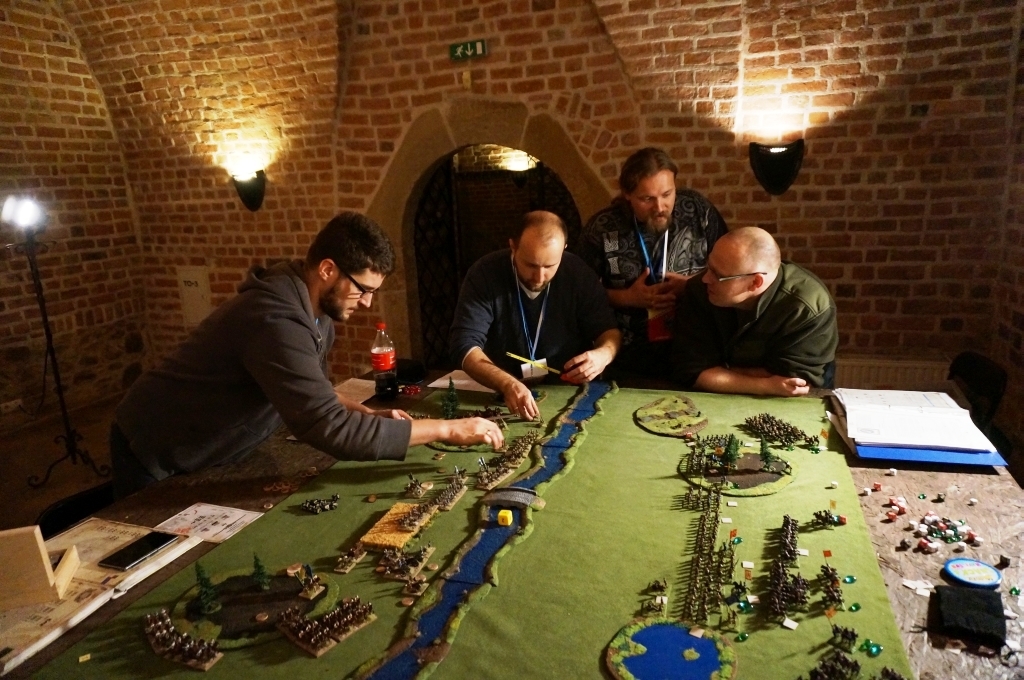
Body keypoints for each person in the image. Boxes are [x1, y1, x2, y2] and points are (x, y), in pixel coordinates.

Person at [110, 212, 503, 498]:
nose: (367, 303)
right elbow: (330, 429)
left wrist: (361, 412)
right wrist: (449, 429)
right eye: (363, 289)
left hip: (213, 447)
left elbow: (314, 393)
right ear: (328, 269)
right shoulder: (275, 320)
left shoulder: (317, 313)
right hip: (155, 449)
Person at [449, 210, 621, 420]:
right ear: (513, 247)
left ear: (564, 249)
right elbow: (464, 345)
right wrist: (507, 384)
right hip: (501, 393)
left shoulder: (579, 273)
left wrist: (603, 355)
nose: (539, 277)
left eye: (550, 266)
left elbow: (608, 331)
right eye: (531, 265)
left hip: (568, 392)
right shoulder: (485, 273)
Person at [576, 147, 728, 378]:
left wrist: (691, 285)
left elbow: (731, 271)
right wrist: (627, 297)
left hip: (697, 349)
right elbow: (579, 294)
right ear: (627, 194)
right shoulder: (603, 227)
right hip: (627, 355)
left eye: (667, 194)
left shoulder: (698, 211)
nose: (659, 207)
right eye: (647, 199)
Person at [671, 226, 838, 396]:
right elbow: (688, 369)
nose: (706, 278)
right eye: (709, 267)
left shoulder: (807, 308)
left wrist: (718, 371)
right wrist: (765, 385)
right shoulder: (700, 290)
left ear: (755, 282)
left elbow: (792, 383)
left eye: (718, 274)